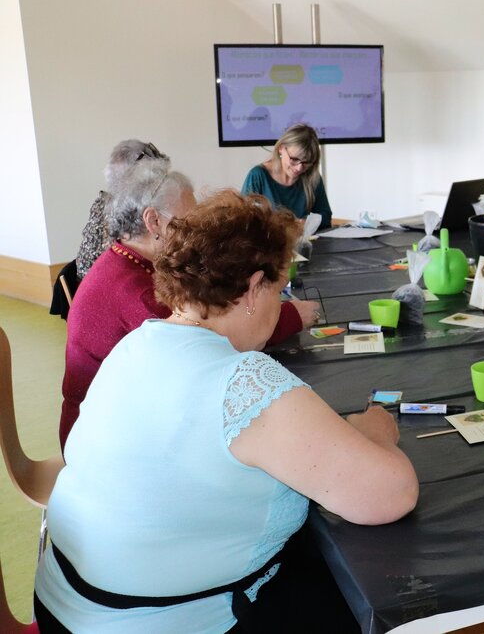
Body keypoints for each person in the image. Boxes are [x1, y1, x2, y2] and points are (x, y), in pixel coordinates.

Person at [35, 191, 419, 633]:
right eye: (280, 288)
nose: (280, 305)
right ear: (255, 288)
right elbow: (392, 495)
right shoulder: (245, 383)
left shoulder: (135, 343)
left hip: (64, 605)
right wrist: (374, 433)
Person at [59, 160, 321, 450]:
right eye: (188, 223)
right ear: (153, 221)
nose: (196, 234)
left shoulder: (127, 261)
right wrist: (290, 317)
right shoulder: (135, 290)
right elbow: (211, 340)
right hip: (101, 440)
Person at [50, 140, 168, 320]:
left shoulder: (118, 203)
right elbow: (128, 261)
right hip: (104, 303)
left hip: (102, 291)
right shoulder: (118, 209)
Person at [242, 123, 333, 225]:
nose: (299, 168)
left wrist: (305, 223)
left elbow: (325, 216)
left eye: (306, 162)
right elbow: (244, 219)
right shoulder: (258, 176)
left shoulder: (313, 177)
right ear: (281, 149)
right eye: (294, 159)